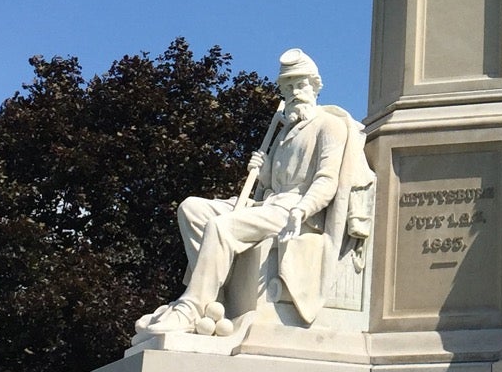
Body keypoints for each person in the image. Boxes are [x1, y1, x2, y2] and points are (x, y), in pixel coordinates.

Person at [136, 48, 373, 336]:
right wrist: (263, 171)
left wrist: (303, 208)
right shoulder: (285, 132)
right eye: (287, 88)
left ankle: (191, 307)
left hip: (295, 210)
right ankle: (213, 295)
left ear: (315, 86)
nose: (294, 93)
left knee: (222, 227)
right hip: (269, 206)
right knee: (192, 208)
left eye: (300, 85)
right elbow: (271, 187)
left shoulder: (329, 126)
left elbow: (326, 182)